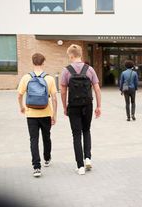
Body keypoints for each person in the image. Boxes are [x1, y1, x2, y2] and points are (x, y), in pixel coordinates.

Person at [60, 44, 101, 175]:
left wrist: (64, 106)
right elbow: (97, 89)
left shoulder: (66, 71)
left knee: (76, 135)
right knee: (86, 130)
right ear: (81, 55)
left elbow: (63, 90)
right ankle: (87, 158)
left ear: (71, 56)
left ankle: (80, 166)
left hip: (73, 106)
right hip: (88, 105)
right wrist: (99, 106)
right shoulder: (90, 69)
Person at [17, 53, 57, 177]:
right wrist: (54, 114)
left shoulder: (26, 78)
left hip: (31, 114)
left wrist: (22, 107)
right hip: (46, 113)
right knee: (46, 137)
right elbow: (55, 98)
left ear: (33, 63)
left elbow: (19, 95)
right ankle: (47, 158)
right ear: (43, 63)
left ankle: (36, 167)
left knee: (33, 140)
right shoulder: (49, 78)